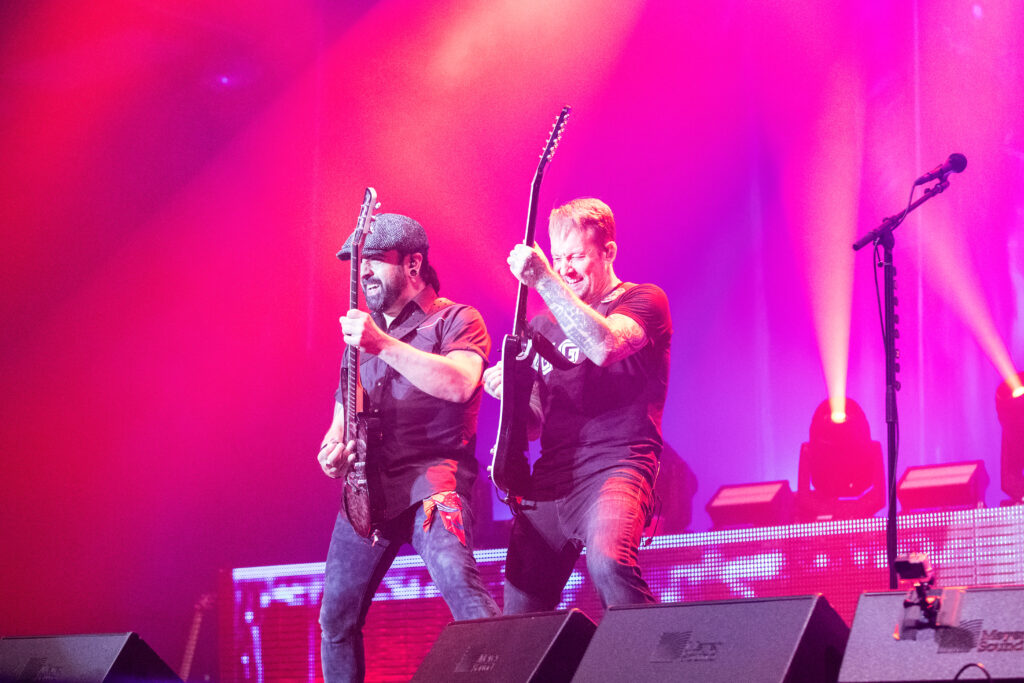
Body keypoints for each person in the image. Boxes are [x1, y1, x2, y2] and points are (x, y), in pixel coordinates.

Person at [317, 213, 499, 682]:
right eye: (358, 266)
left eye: (374, 261)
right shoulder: (358, 343)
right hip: (367, 495)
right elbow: (339, 425)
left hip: (431, 483)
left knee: (464, 594)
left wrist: (383, 344)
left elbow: (461, 384)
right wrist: (331, 453)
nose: (363, 275)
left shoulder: (457, 319)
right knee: (334, 621)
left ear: (413, 264)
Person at [483, 197, 672, 613]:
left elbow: (604, 345)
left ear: (608, 253)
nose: (564, 268)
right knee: (519, 610)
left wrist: (544, 279)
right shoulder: (541, 326)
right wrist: (510, 399)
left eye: (575, 256)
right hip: (552, 477)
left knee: (608, 564)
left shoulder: (644, 300)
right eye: (556, 257)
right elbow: (533, 421)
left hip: (617, 467)